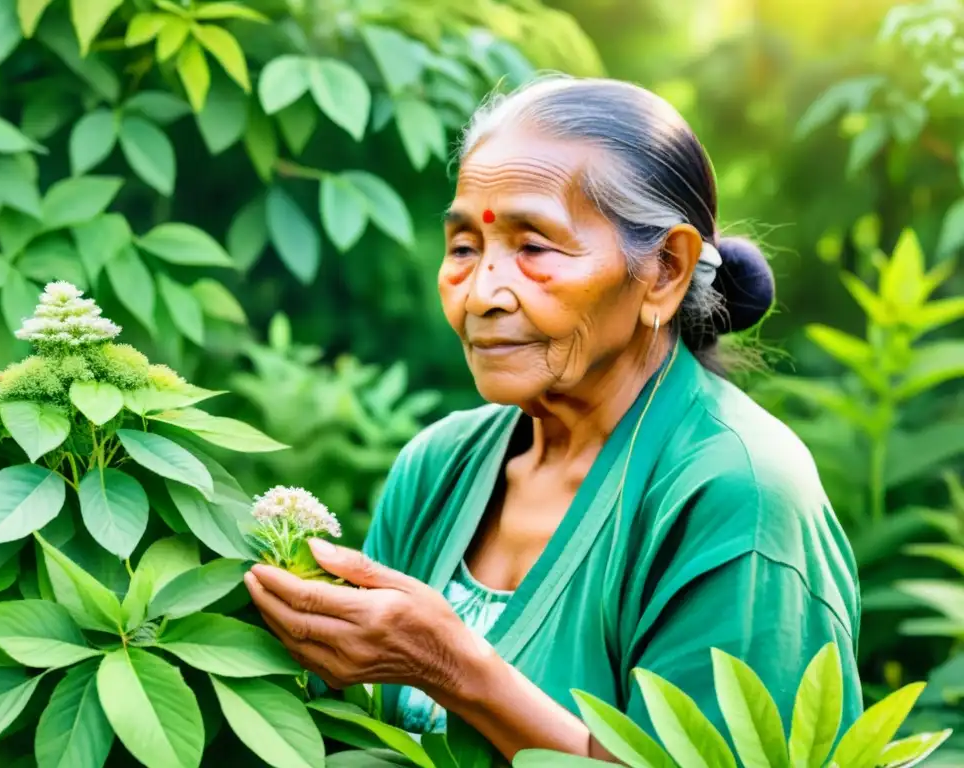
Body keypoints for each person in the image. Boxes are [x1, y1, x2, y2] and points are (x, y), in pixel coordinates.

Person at [244, 75, 863, 763]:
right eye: (463, 249)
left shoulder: (737, 495)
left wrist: (457, 672)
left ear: (664, 269)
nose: (481, 294)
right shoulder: (437, 466)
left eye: (534, 248)